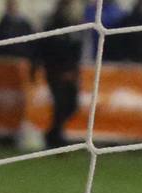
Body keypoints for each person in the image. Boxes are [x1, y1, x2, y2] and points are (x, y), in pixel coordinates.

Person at [40, 0, 87, 147]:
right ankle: (56, 138)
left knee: (72, 105)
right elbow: (48, 49)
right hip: (56, 71)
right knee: (60, 105)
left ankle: (52, 133)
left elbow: (76, 50)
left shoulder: (75, 26)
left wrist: (74, 71)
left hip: (70, 71)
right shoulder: (53, 24)